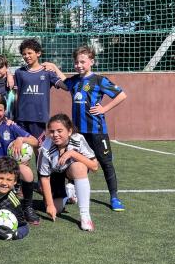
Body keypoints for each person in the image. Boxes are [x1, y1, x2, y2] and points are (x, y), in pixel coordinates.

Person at [47, 45, 128, 211]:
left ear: (92, 61)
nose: (79, 65)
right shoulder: (75, 80)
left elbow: (121, 95)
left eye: (82, 62)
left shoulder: (99, 80)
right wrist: (54, 67)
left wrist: (104, 109)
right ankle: (72, 192)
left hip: (97, 131)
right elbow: (64, 83)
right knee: (75, 161)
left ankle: (114, 197)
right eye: (76, 62)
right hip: (78, 132)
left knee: (105, 163)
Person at [0, 94, 40, 225]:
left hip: (10, 168)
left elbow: (35, 141)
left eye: (0, 110)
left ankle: (28, 207)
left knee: (27, 172)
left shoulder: (11, 126)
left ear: (5, 110)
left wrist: (21, 139)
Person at [38, 114, 98, 231]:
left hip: (72, 170)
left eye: (59, 131)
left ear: (69, 131)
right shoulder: (45, 148)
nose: (55, 135)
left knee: (79, 167)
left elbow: (94, 166)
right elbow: (44, 178)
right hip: (55, 174)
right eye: (52, 131)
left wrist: (73, 154)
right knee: (56, 209)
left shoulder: (78, 139)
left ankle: (85, 215)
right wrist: (50, 205)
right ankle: (70, 193)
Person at [14, 38, 65, 142]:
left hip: (38, 117)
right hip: (21, 117)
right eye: (24, 54)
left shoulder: (47, 72)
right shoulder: (19, 72)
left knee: (39, 147)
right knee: (20, 149)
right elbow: (16, 95)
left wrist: (55, 67)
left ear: (38, 53)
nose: (27, 56)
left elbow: (66, 86)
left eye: (29, 53)